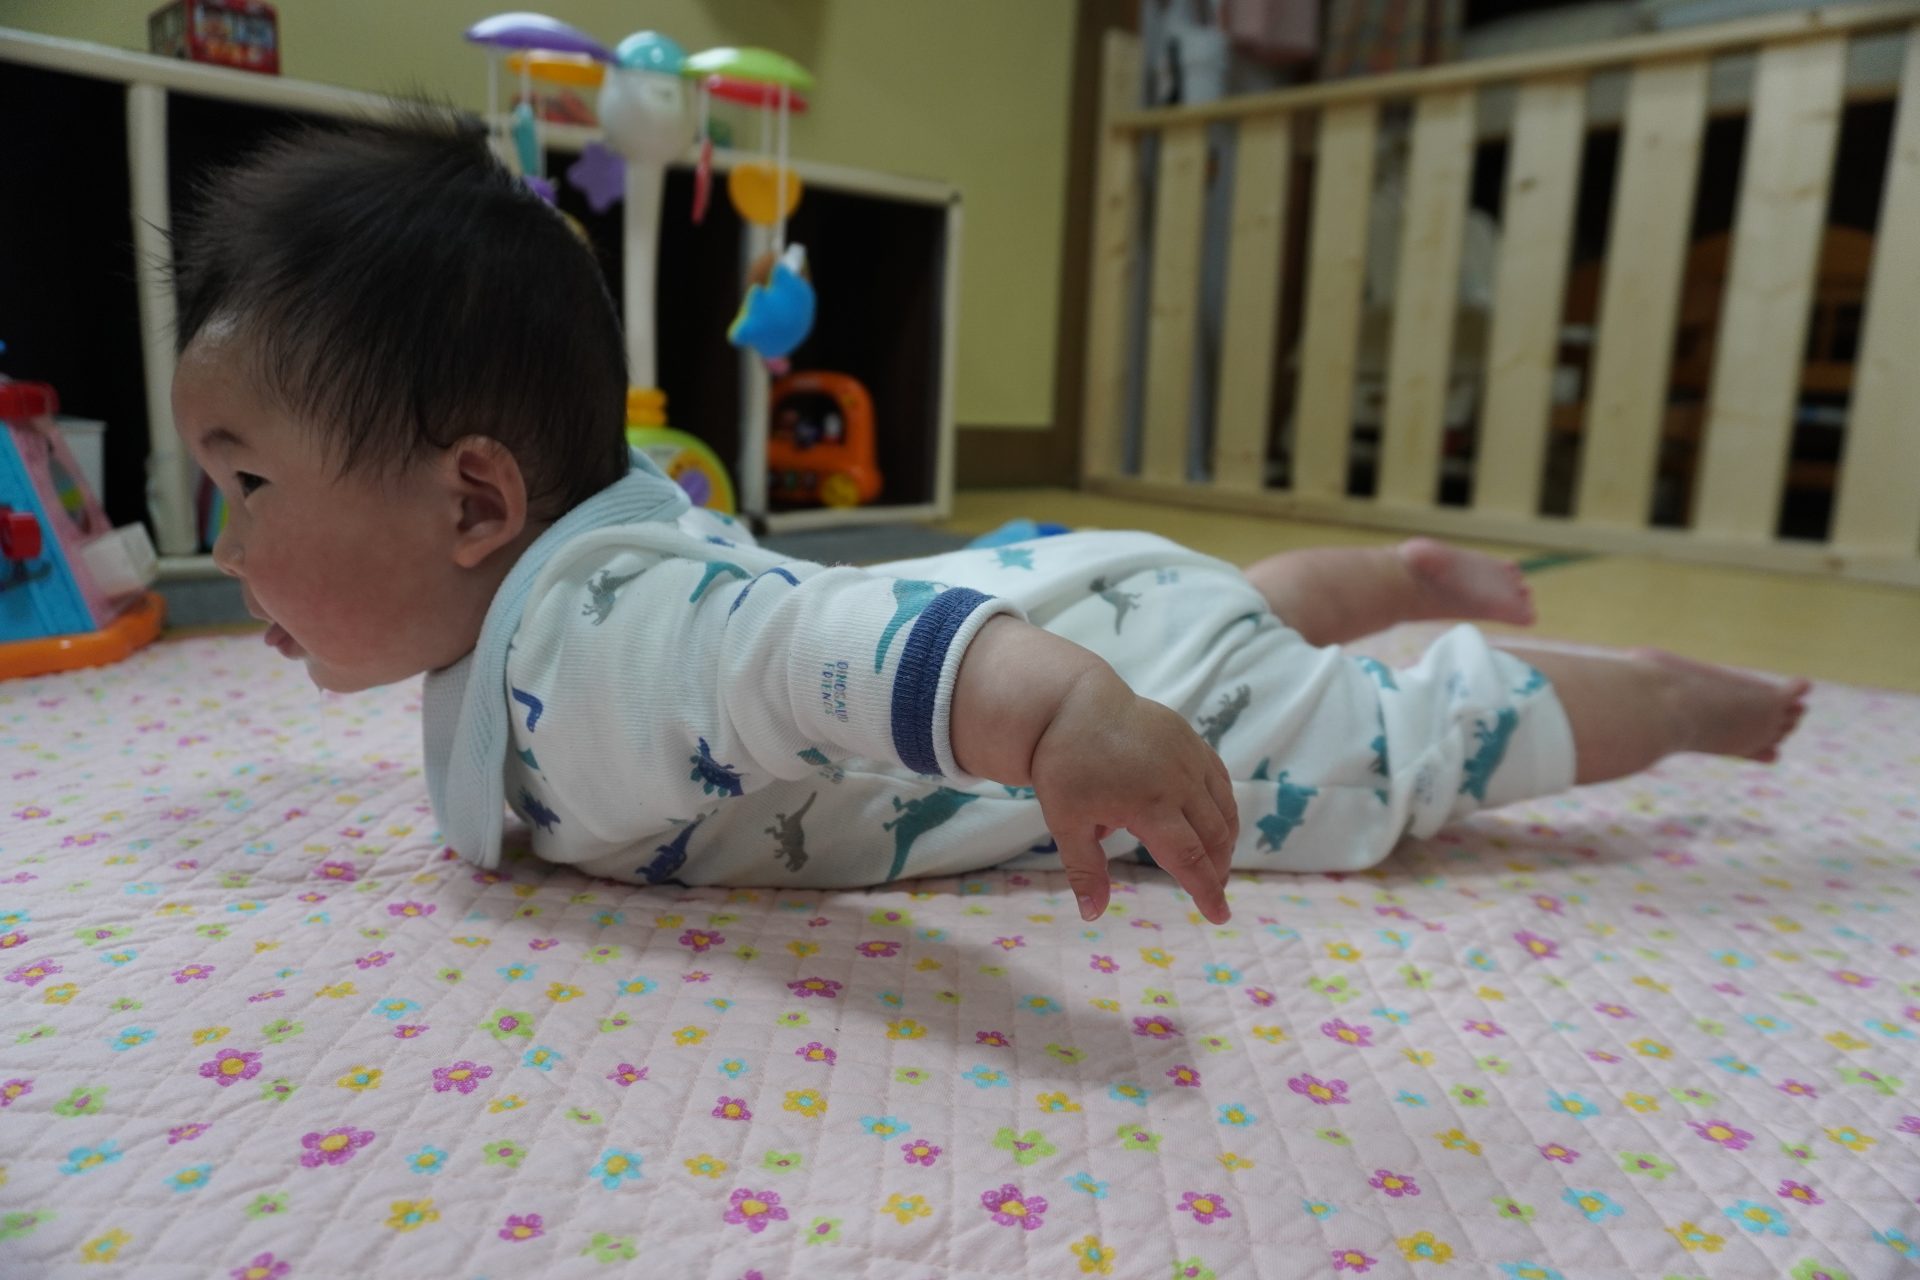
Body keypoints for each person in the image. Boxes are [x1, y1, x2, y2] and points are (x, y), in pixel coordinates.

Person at [170, 112, 1807, 926]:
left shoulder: (597, 654)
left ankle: (1664, 698)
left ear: (476, 498)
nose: (223, 544)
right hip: (1071, 594)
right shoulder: (573, 584)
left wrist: (1059, 719)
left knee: (1394, 748)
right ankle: (1376, 576)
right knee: (1222, 614)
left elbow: (812, 648)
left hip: (1070, 680)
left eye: (249, 485)